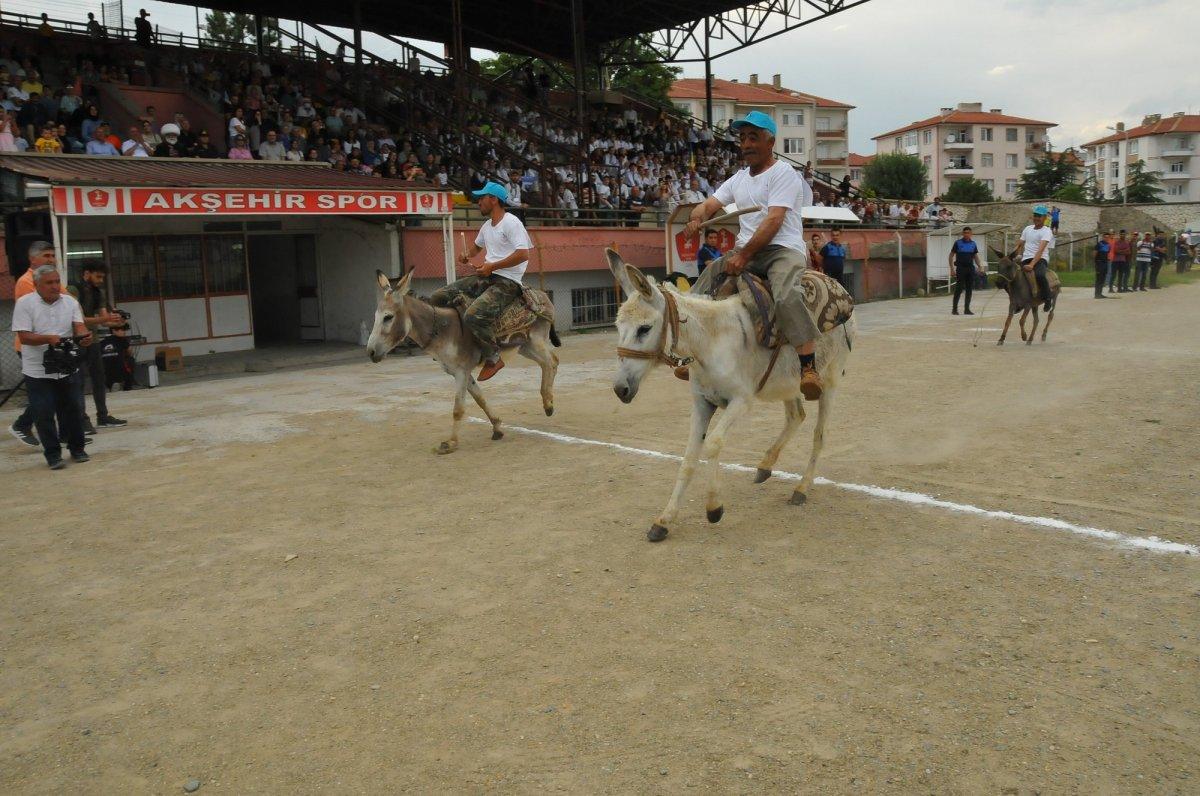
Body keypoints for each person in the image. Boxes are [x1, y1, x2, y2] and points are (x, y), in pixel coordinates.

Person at [687, 111, 825, 400]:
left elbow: (774, 221)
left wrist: (744, 255)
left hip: (782, 249)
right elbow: (709, 205)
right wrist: (696, 217)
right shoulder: (738, 179)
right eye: (742, 138)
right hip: (747, 250)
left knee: (786, 295)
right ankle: (689, 353)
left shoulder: (784, 174)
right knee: (702, 286)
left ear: (770, 142)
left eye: (753, 137)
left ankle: (808, 365)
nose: (746, 144)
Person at [432, 181, 532, 382]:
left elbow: (523, 254)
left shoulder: (512, 223)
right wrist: (467, 255)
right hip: (487, 276)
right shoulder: (487, 226)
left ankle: (493, 357)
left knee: (473, 316)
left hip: (507, 282)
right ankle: (453, 340)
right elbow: (477, 248)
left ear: (494, 199)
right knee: (438, 296)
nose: (478, 202)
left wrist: (492, 267)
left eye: (482, 198)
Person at [11, 265, 91, 469]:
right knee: (44, 413)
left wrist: (84, 337)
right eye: (49, 283)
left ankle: (78, 449)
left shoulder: (70, 302)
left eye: (57, 281)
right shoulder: (24, 303)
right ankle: (53, 455)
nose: (55, 286)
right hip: (37, 370)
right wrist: (48, 339)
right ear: (37, 284)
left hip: (67, 366)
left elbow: (79, 326)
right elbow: (24, 337)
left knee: (74, 410)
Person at [9, 241, 61, 447]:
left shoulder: (51, 278)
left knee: (57, 391)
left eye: (52, 255)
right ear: (32, 259)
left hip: (51, 344)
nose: (51, 259)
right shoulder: (26, 282)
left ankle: (64, 433)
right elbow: (38, 312)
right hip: (33, 345)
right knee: (46, 395)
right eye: (46, 256)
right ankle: (22, 425)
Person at [74, 260, 128, 430]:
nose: (100, 280)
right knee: (78, 381)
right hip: (76, 340)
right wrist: (107, 319)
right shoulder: (73, 290)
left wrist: (117, 321)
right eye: (98, 276)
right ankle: (81, 420)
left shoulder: (98, 292)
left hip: (93, 339)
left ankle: (102, 416)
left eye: (102, 277)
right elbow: (79, 320)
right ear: (86, 274)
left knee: (99, 378)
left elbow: (105, 321)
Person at [1013, 205, 1054, 312]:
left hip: (1040, 259)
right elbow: (1019, 244)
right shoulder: (1027, 229)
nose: (1036, 218)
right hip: (1026, 258)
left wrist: (1032, 265)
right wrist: (1012, 255)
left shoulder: (1047, 231)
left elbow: (1040, 250)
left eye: (1039, 216)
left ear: (1044, 218)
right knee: (1014, 276)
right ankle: (1018, 301)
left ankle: (1047, 297)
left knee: (1040, 275)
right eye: (1035, 215)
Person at [949, 226, 983, 314]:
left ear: (971, 234)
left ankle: (967, 309)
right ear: (962, 233)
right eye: (965, 233)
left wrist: (980, 266)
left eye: (968, 233)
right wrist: (952, 269)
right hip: (961, 268)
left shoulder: (973, 244)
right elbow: (951, 256)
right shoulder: (958, 243)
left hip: (970, 268)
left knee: (969, 289)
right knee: (959, 288)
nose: (966, 234)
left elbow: (975, 256)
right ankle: (954, 309)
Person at [819, 228, 849, 292]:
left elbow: (843, 260)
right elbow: (819, 259)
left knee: (841, 292)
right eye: (833, 235)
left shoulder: (842, 248)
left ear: (840, 236)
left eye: (837, 235)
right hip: (829, 276)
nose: (835, 237)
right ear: (831, 236)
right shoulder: (827, 247)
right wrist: (823, 269)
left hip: (840, 276)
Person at [1093, 232, 1112, 299]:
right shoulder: (1099, 244)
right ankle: (1096, 294)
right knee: (1098, 279)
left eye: (1108, 237)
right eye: (1105, 237)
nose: (1106, 238)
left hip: (1105, 263)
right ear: (1103, 237)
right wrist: (1096, 263)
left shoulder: (1108, 245)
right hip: (1099, 263)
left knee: (1103, 279)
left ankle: (1100, 293)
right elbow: (1094, 253)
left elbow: (1107, 253)